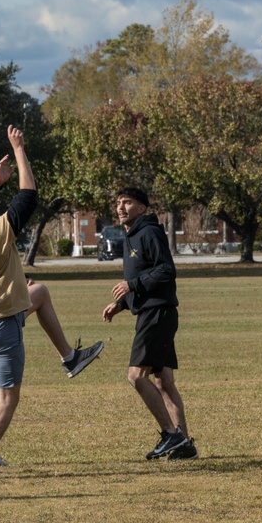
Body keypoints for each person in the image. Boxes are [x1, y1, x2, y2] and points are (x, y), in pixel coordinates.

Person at [0, 169, 103, 466]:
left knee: (39, 293)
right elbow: (27, 195)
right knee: (3, 395)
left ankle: (70, 357)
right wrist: (19, 148)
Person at [101, 188, 197, 460]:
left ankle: (171, 434)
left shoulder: (149, 232)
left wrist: (131, 284)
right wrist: (121, 304)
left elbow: (166, 270)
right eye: (118, 203)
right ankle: (185, 447)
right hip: (154, 312)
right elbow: (146, 277)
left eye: (127, 203)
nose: (121, 207)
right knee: (164, 381)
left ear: (142, 208)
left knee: (135, 376)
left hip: (158, 314)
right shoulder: (131, 235)